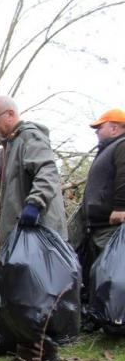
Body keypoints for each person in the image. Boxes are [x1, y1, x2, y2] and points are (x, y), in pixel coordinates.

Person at [0, 95, 67, 361]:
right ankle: (44, 346)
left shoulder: (29, 137)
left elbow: (48, 171)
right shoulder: (10, 144)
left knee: (25, 295)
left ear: (10, 114)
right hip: (21, 232)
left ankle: (28, 358)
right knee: (30, 293)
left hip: (35, 232)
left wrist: (34, 204)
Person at [79, 108, 125, 280]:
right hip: (100, 226)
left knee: (111, 277)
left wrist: (121, 207)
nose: (97, 132)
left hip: (112, 227)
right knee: (100, 276)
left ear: (114, 128)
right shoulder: (110, 148)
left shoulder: (122, 145)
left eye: (100, 127)